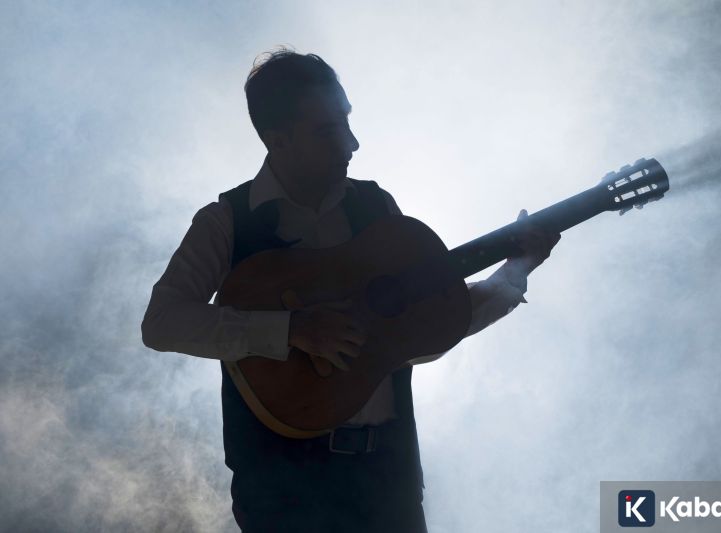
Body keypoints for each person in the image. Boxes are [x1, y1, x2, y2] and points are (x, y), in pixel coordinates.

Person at [141, 49, 560, 533]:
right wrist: (291, 330)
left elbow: (422, 325)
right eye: (327, 131)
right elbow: (162, 322)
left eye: (347, 122)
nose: (352, 144)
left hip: (389, 485)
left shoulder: (377, 209)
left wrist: (513, 274)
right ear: (276, 140)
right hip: (283, 497)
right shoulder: (225, 223)